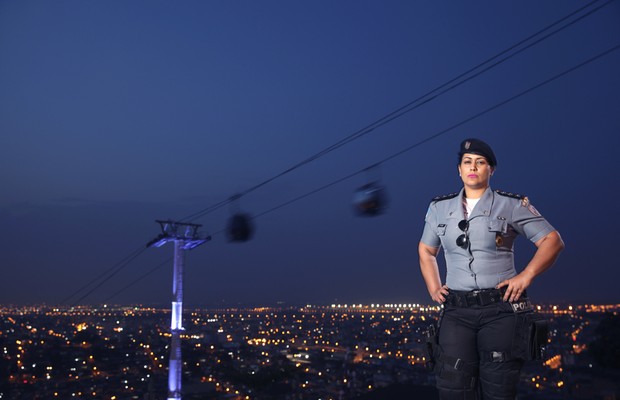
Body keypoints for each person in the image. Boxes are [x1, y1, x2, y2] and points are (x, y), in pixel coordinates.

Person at [418, 138, 564, 400]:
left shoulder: (510, 205)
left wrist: (526, 276)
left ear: (491, 170)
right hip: (456, 311)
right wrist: (433, 287)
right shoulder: (439, 208)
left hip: (500, 311)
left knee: (498, 390)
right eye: (467, 162)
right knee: (453, 388)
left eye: (480, 162)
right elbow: (426, 251)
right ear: (459, 170)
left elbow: (552, 241)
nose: (473, 167)